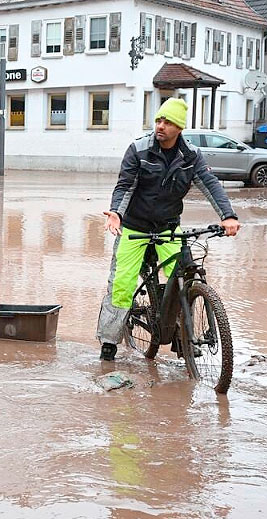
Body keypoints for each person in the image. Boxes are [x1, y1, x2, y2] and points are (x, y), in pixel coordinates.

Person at [97, 98, 240, 361]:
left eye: (168, 122)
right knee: (121, 284)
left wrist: (228, 216)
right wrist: (116, 213)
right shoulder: (139, 150)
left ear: (179, 128)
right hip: (134, 226)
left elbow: (210, 184)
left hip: (168, 226)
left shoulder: (191, 156)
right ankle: (109, 341)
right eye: (159, 120)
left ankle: (182, 338)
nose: (161, 126)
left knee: (183, 278)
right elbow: (125, 186)